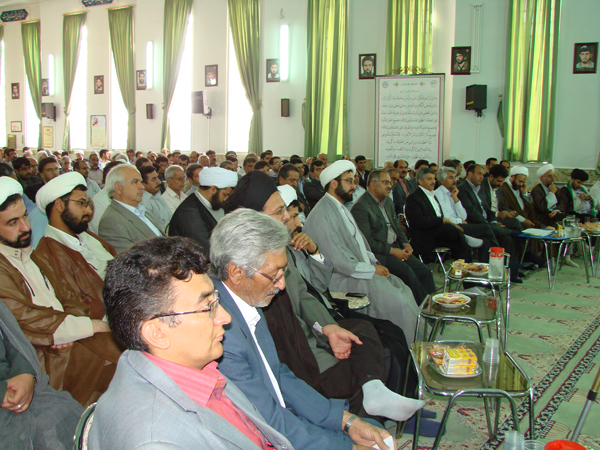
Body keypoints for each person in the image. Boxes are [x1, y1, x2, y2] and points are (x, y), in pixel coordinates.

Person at [211, 210, 395, 450]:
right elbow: (267, 420)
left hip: (281, 420)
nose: (281, 285)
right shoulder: (220, 332)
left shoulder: (246, 300)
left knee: (372, 430)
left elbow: (277, 374)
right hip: (263, 434)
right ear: (236, 272)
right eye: (274, 275)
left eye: (283, 272)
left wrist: (345, 420)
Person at [89, 236, 296, 450]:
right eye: (207, 307)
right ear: (157, 333)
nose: (225, 318)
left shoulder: (191, 364)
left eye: (216, 300)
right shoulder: (157, 442)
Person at [0, 177, 118, 406]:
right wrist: (66, 330)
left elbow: (69, 296)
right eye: (12, 223)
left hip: (69, 339)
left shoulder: (30, 254)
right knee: (124, 361)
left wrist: (69, 327)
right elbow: (22, 317)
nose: (25, 227)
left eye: (25, 216)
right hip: (43, 357)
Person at [304, 161, 419, 343]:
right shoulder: (323, 214)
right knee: (399, 303)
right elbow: (337, 260)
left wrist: (374, 264)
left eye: (354, 181)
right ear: (334, 183)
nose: (354, 186)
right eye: (349, 181)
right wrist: (372, 270)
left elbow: (359, 245)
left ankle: (416, 343)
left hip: (359, 271)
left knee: (404, 290)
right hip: (342, 278)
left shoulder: (340, 207)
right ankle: (408, 347)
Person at [0, 300, 84, 449]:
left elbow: (11, 343)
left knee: (64, 411)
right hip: (6, 402)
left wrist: (26, 373)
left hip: (18, 386)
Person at [351, 170, 435, 304]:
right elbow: (367, 242)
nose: (390, 186)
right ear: (373, 184)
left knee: (425, 272)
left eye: (390, 183)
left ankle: (431, 305)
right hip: (379, 254)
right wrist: (392, 251)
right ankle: (422, 309)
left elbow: (396, 226)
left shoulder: (388, 202)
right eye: (385, 182)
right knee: (408, 274)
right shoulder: (361, 207)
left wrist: (406, 243)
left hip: (396, 247)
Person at [404, 167, 472, 262]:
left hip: (438, 234)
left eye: (434, 178)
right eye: (429, 179)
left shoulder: (432, 195)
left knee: (460, 243)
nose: (433, 182)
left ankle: (464, 264)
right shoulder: (414, 198)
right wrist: (442, 220)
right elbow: (418, 221)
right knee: (451, 231)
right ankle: (466, 243)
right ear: (420, 181)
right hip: (425, 236)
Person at [434, 166, 497, 261]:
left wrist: (455, 199)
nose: (455, 181)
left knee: (486, 241)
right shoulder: (438, 194)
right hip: (451, 228)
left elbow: (464, 216)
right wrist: (460, 221)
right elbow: (445, 217)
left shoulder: (453, 193)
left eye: (455, 177)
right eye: (451, 178)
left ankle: (486, 266)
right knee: (486, 228)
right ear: (442, 180)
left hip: (461, 224)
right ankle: (499, 257)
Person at [99, 164, 164, 254]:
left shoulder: (143, 211)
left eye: (141, 182)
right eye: (135, 182)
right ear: (118, 188)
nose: (142, 187)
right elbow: (129, 259)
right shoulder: (111, 220)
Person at [169, 167, 237, 251]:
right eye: (225, 195)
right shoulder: (189, 214)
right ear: (213, 189)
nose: (226, 199)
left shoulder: (209, 203)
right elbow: (207, 250)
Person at [139, 165, 172, 233]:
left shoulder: (158, 196)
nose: (159, 182)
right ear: (143, 184)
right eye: (154, 179)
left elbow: (170, 218)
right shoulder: (143, 202)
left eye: (157, 178)